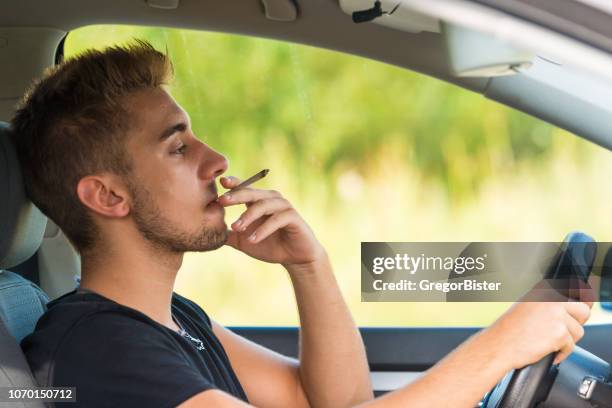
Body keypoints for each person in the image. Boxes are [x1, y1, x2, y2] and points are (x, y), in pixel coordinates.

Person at [12, 40, 591, 408]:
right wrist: (500, 347)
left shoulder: (174, 319)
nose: (217, 162)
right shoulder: (98, 347)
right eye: (178, 148)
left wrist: (309, 266)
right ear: (108, 195)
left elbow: (335, 401)